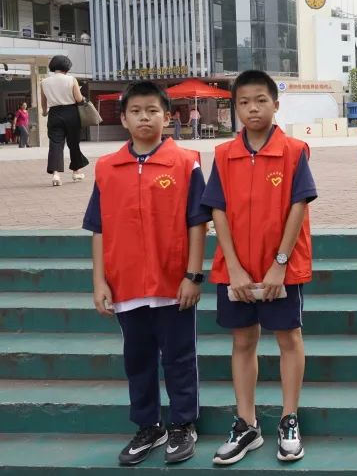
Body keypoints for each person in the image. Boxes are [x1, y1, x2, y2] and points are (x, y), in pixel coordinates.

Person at [83, 81, 210, 466]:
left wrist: (193, 275)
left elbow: (198, 222)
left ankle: (183, 424)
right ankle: (149, 426)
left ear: (167, 117)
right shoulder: (107, 168)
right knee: (137, 360)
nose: (144, 118)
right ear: (123, 119)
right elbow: (98, 228)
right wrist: (99, 281)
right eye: (136, 111)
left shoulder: (186, 162)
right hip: (125, 284)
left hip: (173, 283)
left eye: (153, 110)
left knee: (179, 357)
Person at [201, 69, 317, 466]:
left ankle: (289, 419)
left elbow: (298, 207)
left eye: (261, 101)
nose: (253, 108)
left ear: (276, 104)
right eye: (244, 102)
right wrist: (233, 268)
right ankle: (247, 423)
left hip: (281, 269)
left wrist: (279, 264)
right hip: (236, 271)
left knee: (289, 339)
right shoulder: (223, 155)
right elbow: (217, 210)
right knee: (242, 341)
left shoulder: (294, 151)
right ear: (235, 107)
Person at [41, 55, 88, 186]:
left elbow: (44, 102)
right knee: (73, 143)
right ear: (67, 67)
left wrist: (44, 112)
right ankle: (76, 172)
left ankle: (56, 175)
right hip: (71, 113)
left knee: (55, 144)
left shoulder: (44, 82)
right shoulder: (71, 79)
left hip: (54, 114)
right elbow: (78, 99)